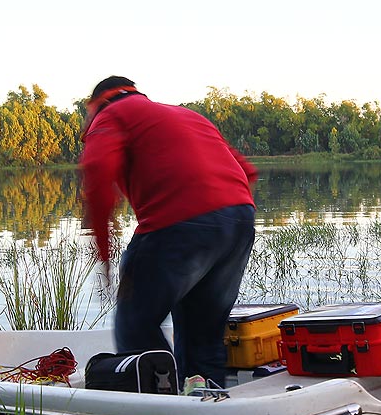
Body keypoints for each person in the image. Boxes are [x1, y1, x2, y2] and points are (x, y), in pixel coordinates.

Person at [79, 76, 257, 388]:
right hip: (239, 218)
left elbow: (97, 175)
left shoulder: (109, 115)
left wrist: (104, 257)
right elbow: (247, 171)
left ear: (97, 103)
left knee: (134, 323)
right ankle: (206, 407)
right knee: (204, 336)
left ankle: (160, 401)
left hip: (178, 223)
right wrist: (219, 220)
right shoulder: (186, 115)